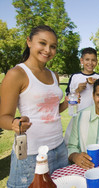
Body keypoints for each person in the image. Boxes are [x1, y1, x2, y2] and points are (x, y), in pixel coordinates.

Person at [0, 25, 69, 187]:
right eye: (42, 43)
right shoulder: (17, 74)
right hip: (31, 153)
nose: (48, 50)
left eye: (53, 47)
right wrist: (15, 124)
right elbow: (3, 117)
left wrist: (66, 103)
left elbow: (51, 112)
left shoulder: (54, 75)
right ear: (29, 42)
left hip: (59, 147)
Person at [65, 47, 99, 112]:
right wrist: (77, 90)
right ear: (82, 61)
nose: (90, 63)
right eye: (87, 59)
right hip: (78, 114)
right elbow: (68, 97)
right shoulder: (75, 77)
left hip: (95, 115)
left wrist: (98, 85)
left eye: (93, 60)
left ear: (96, 62)